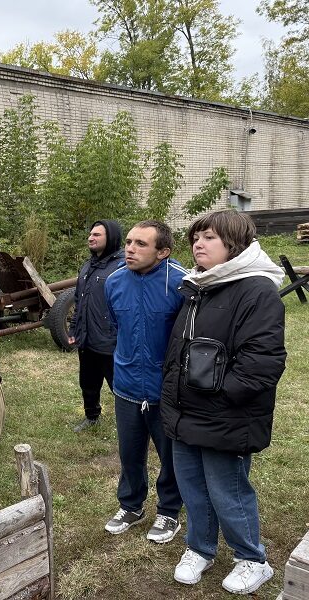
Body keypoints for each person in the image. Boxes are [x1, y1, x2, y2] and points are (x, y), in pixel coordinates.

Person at [160, 210, 286, 594]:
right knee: (193, 488)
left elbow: (262, 364)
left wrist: (218, 393)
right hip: (185, 412)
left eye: (209, 237)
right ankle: (199, 548)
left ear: (234, 244)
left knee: (227, 491)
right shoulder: (199, 285)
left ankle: (251, 558)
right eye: (196, 237)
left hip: (224, 415)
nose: (198, 243)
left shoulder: (256, 290)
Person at [103, 220, 189, 544]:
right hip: (125, 384)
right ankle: (131, 505)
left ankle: (169, 512)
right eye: (128, 242)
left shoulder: (180, 283)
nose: (130, 248)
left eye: (141, 244)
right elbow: (116, 324)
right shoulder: (113, 282)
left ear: (163, 252)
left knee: (171, 455)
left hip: (165, 389)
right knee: (130, 452)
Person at [67, 220, 125, 432]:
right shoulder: (88, 265)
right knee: (88, 382)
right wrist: (74, 328)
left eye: (97, 235)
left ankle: (129, 425)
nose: (91, 238)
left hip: (111, 340)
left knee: (118, 385)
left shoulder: (122, 266)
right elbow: (78, 300)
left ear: (111, 237)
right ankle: (92, 416)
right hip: (86, 337)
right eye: (90, 234)